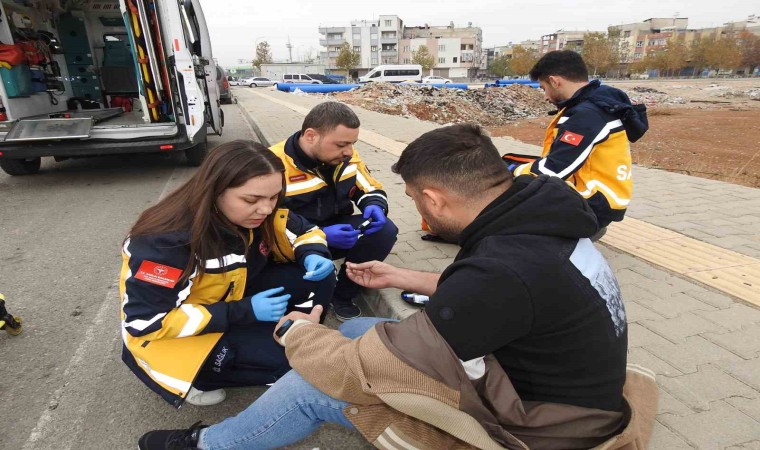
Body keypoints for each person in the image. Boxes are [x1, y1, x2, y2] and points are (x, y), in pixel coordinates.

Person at [138, 124, 657, 450]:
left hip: (538, 426)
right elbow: (508, 294)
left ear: (434, 199)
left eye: (412, 199)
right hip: (555, 386)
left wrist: (298, 334)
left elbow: (368, 365)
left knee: (313, 383)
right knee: (359, 328)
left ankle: (207, 445)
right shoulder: (539, 223)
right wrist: (399, 276)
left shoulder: (503, 269)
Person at [120, 140, 336, 408]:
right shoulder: (164, 243)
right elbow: (145, 322)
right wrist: (243, 311)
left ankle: (299, 329)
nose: (267, 209)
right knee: (290, 362)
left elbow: (302, 229)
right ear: (215, 190)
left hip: (229, 299)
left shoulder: (254, 212)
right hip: (176, 332)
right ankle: (198, 379)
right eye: (251, 200)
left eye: (274, 197)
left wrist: (313, 253)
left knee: (321, 276)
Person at [269, 101, 398, 321]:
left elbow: (368, 186)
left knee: (384, 230)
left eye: (352, 143)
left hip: (341, 233)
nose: (348, 151)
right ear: (311, 136)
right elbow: (265, 224)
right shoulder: (273, 164)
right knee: (301, 284)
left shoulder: (346, 157)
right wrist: (320, 235)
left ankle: (342, 295)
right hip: (295, 241)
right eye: (341, 144)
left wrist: (375, 204)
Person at [507, 50, 648, 236]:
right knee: (515, 166)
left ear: (555, 81)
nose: (545, 97)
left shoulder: (587, 115)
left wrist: (511, 173)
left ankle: (571, 233)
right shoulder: (592, 103)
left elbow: (554, 170)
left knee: (508, 211)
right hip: (596, 194)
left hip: (593, 203)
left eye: (543, 88)